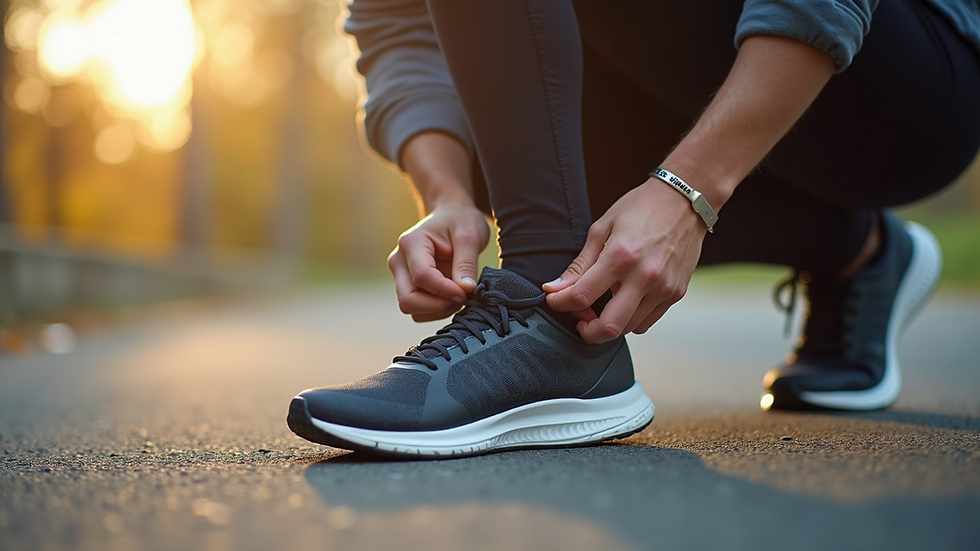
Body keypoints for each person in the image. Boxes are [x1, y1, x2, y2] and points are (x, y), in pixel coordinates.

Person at [286, 0, 980, 457]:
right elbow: (400, 23)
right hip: (692, 65)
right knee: (511, 134)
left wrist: (690, 189)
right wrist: (450, 191)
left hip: (907, 76)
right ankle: (858, 252)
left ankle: (552, 335)